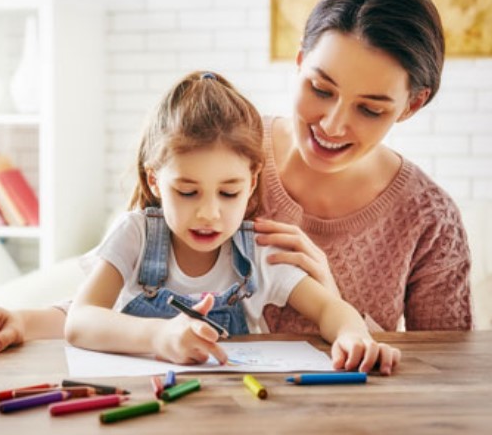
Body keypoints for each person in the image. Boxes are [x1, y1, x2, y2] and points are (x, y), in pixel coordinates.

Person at [0, 0, 471, 361]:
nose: (331, 123)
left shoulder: (429, 221)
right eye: (319, 88)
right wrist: (20, 319)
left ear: (413, 104)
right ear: (300, 63)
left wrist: (343, 308)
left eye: (371, 109)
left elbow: (451, 374)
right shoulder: (220, 147)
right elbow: (130, 287)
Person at [64, 70, 399, 373]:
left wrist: (353, 336)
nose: (209, 213)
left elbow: (330, 310)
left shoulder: (257, 252)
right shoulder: (135, 235)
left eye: (228, 194)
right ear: (155, 181)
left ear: (251, 183)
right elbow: (80, 320)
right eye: (187, 192)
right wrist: (160, 336)